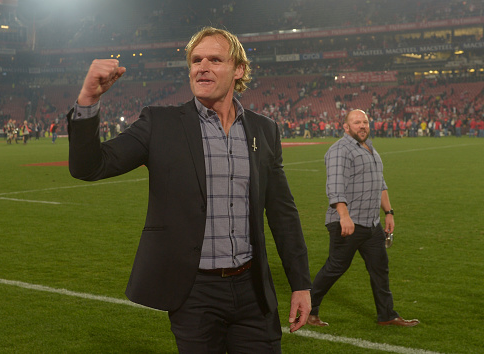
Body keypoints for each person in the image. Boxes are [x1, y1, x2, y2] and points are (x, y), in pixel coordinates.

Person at [67, 27, 311, 352]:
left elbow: (282, 212)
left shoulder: (264, 130)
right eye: (196, 60)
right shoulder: (160, 123)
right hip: (194, 293)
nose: (201, 66)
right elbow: (90, 166)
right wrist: (88, 100)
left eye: (214, 59)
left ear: (239, 69)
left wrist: (300, 284)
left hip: (253, 290)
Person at [307, 109, 419, 328]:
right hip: (348, 222)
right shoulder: (340, 150)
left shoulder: (370, 149)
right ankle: (308, 310)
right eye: (357, 122)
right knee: (335, 268)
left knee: (380, 268)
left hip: (371, 224)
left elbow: (380, 184)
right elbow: (335, 186)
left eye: (365, 122)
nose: (362, 126)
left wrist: (388, 212)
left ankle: (386, 315)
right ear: (346, 127)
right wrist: (344, 216)